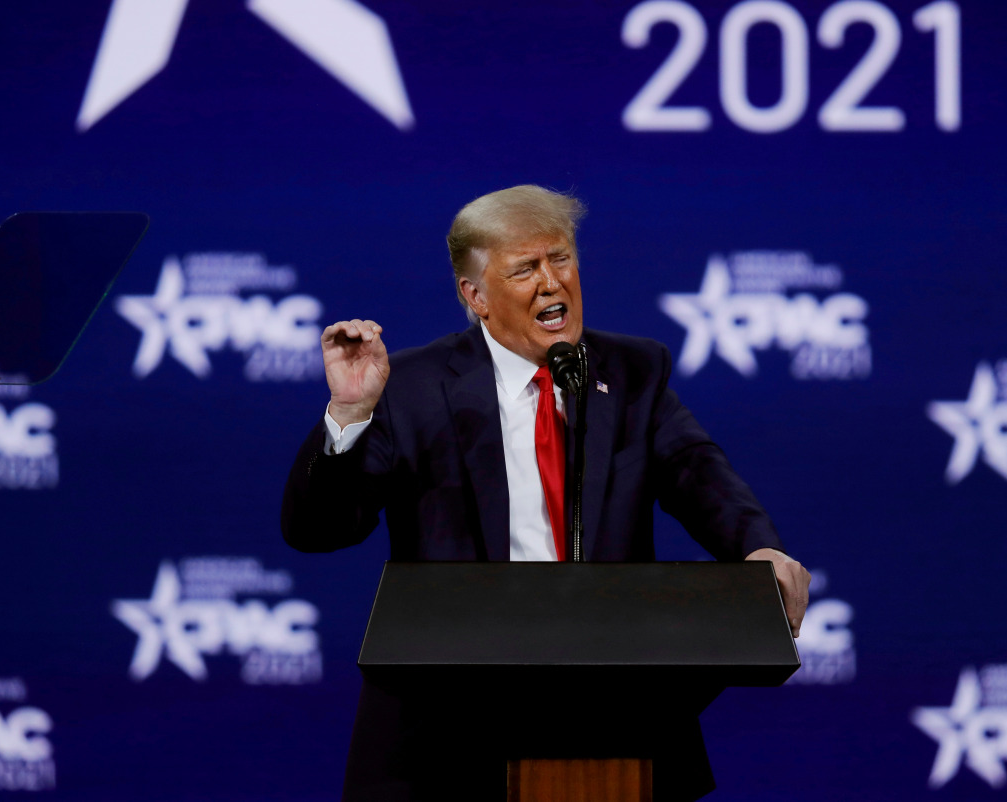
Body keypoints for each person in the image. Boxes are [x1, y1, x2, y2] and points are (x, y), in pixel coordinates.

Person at [282, 185, 810, 801]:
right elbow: (319, 530)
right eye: (525, 269)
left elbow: (697, 472)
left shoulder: (632, 372)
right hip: (446, 732)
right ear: (474, 296)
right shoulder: (412, 388)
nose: (551, 282)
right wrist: (349, 413)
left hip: (618, 715)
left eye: (560, 259)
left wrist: (758, 549)